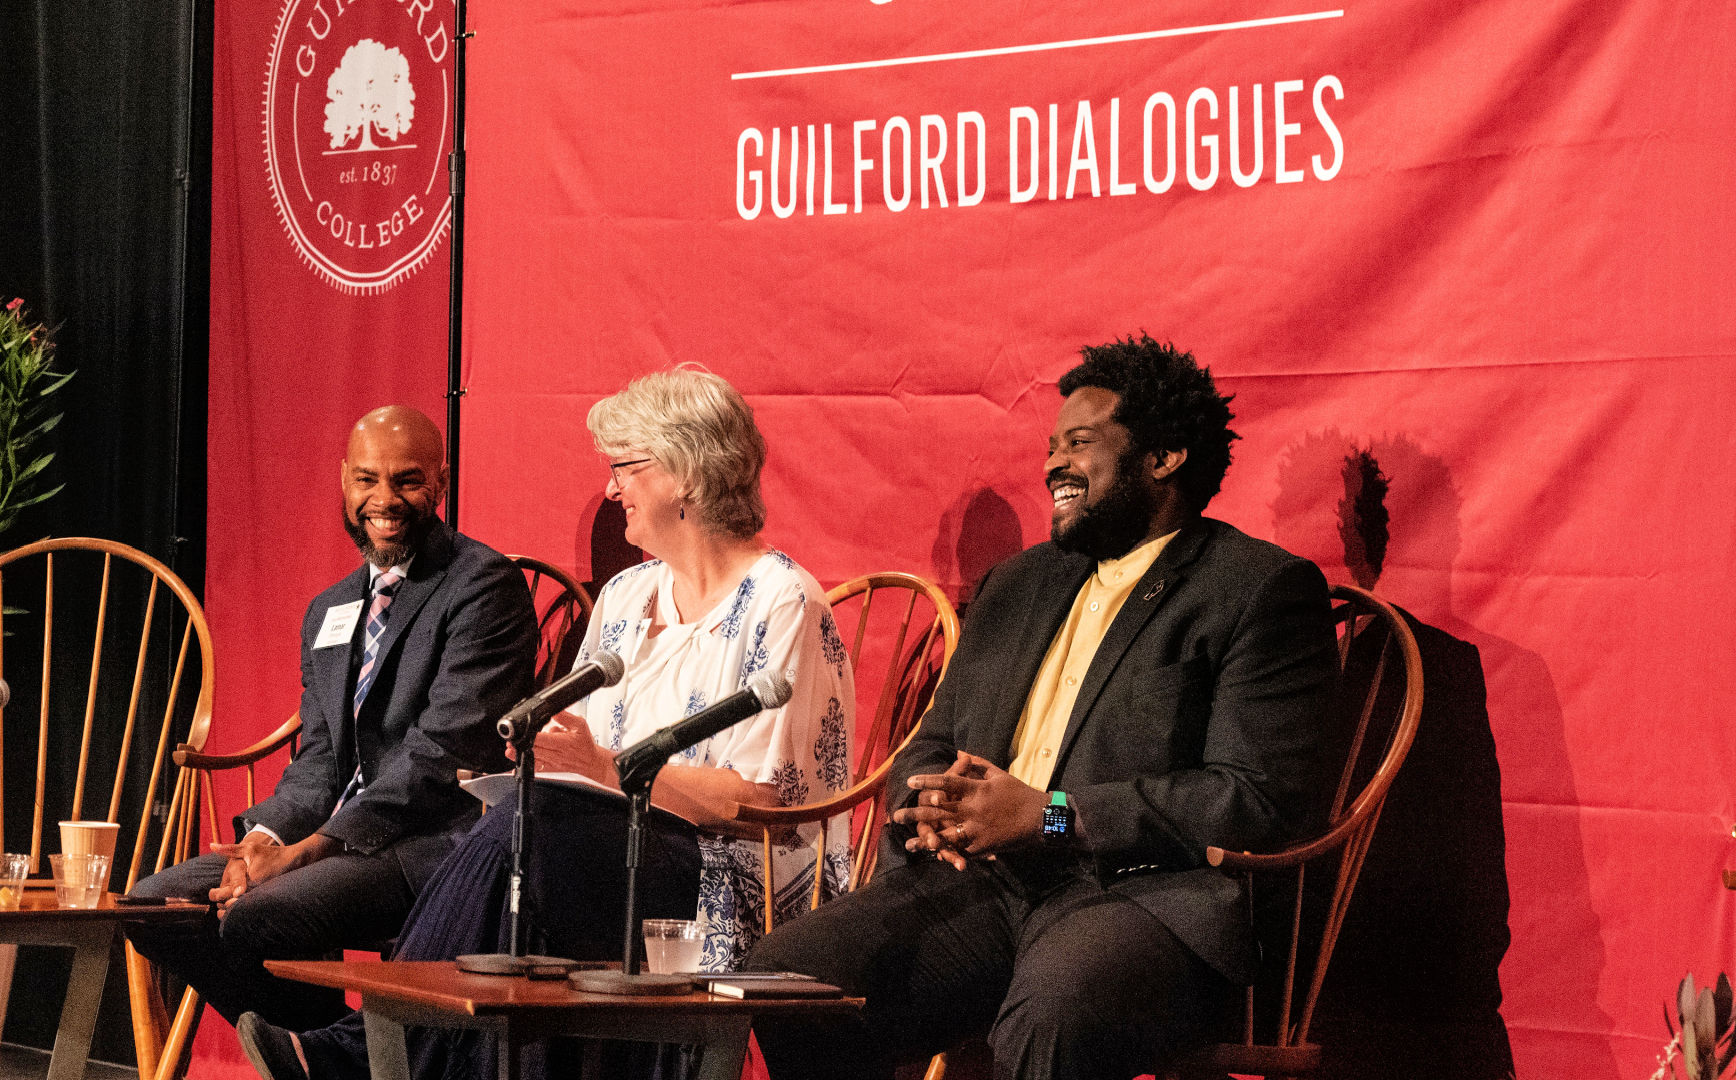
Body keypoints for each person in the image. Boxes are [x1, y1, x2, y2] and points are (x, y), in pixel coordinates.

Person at [746, 335, 1343, 1080]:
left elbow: (1254, 800)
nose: (1054, 463)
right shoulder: (1018, 584)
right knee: (788, 975)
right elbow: (931, 746)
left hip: (1143, 900)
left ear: (1164, 457)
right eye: (1052, 445)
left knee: (1054, 1008)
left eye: (1082, 443)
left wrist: (1051, 814)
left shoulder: (1254, 588)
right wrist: (925, 804)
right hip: (986, 885)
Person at [238, 367, 855, 1080]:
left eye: (625, 467)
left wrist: (607, 772)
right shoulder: (627, 595)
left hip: (721, 873)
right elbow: (579, 751)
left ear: (685, 475)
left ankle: (367, 1051)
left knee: (534, 832)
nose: (613, 488)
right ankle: (385, 1053)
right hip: (611, 855)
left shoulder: (782, 602)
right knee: (523, 820)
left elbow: (764, 804)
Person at [127, 405, 542, 1031]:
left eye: (407, 480)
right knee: (153, 904)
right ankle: (333, 1059)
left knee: (259, 914)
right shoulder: (331, 607)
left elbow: (442, 755)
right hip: (327, 843)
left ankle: (329, 1058)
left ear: (441, 481)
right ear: (343, 480)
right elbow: (319, 756)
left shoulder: (484, 587)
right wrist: (264, 842)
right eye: (367, 479)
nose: (384, 499)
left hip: (429, 843)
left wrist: (306, 852)